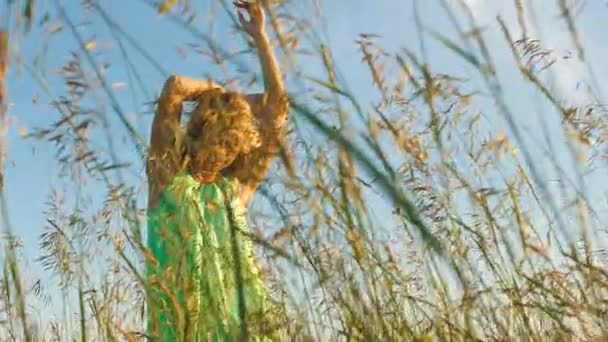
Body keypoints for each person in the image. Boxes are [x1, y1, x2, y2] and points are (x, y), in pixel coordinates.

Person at [144, 1, 289, 340]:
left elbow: (278, 109)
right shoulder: (167, 176)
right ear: (200, 122)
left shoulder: (233, 189)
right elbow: (176, 87)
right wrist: (226, 94)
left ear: (238, 148)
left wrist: (260, 37)